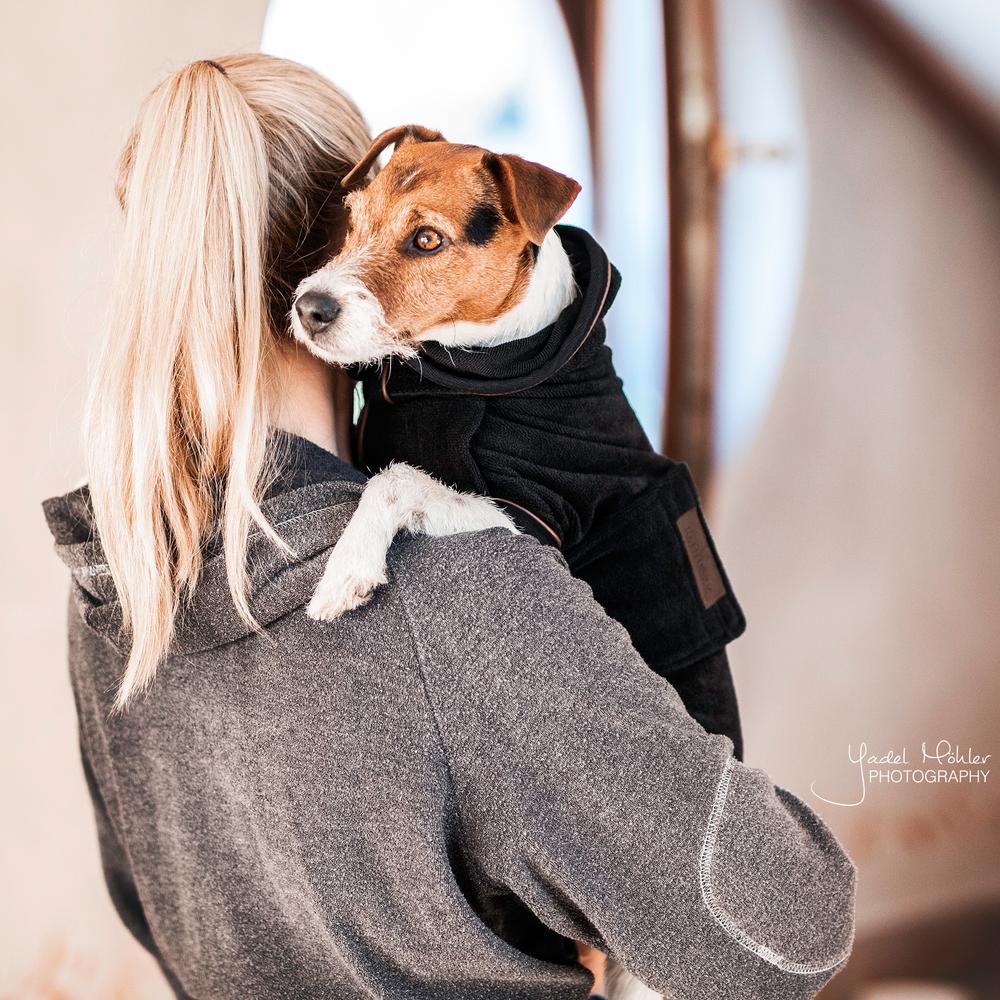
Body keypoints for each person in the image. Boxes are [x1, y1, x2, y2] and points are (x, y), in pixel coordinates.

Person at [43, 54, 855, 1000]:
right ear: (338, 248)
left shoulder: (115, 578)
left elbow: (146, 907)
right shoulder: (461, 588)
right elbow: (789, 931)